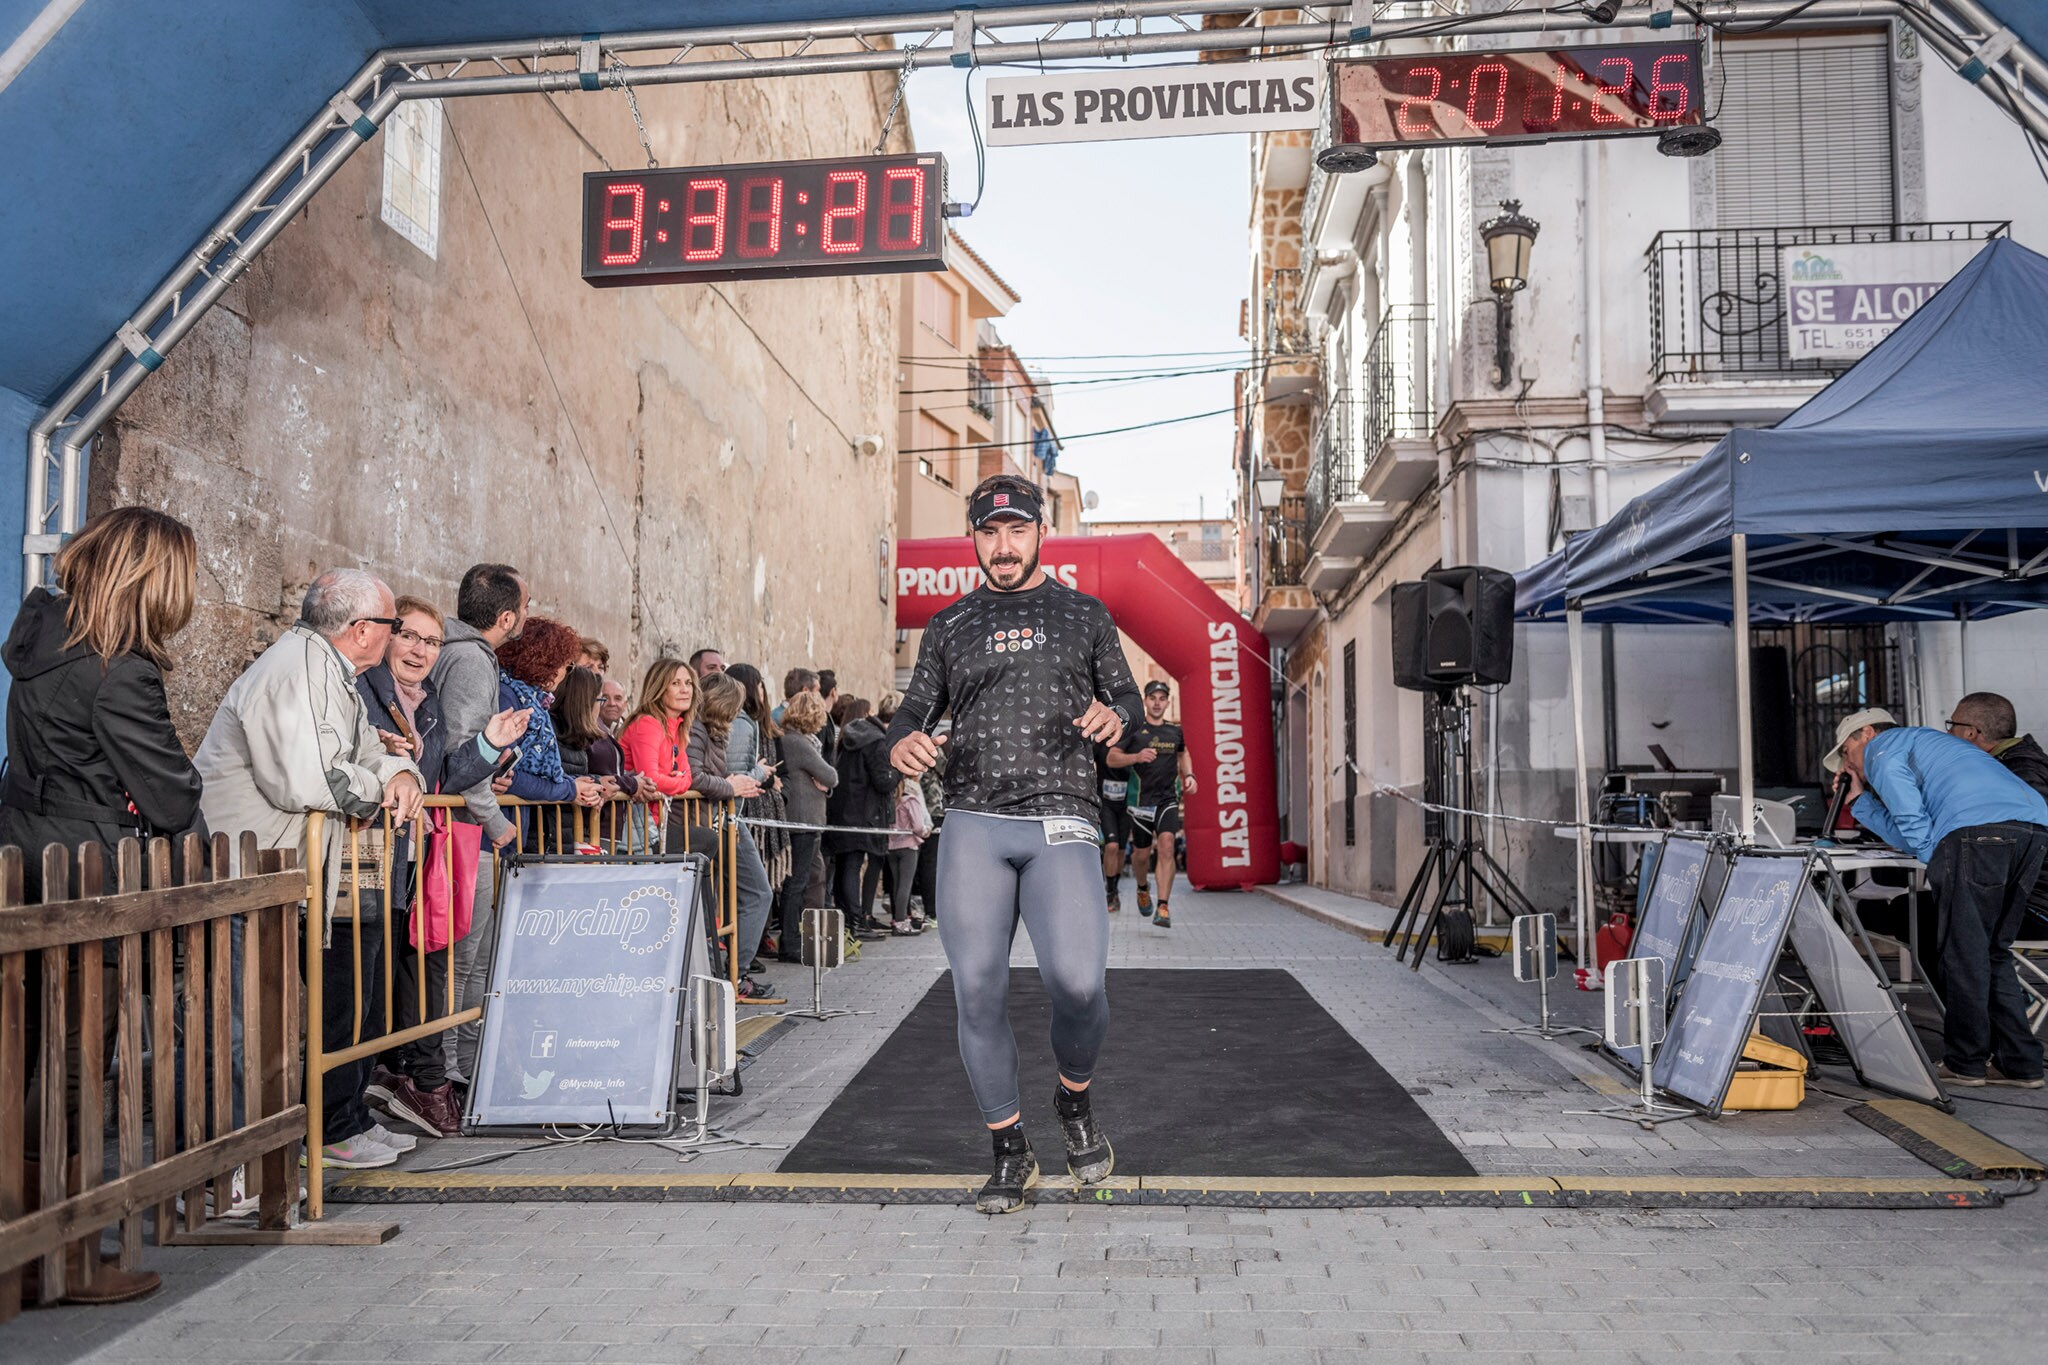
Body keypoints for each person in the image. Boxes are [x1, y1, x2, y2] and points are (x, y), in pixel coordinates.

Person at [885, 473, 1141, 1214]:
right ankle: (1008, 1149)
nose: (1003, 546)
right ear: (975, 537)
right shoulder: (949, 624)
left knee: (1080, 982)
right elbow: (908, 713)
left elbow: (1127, 699)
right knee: (976, 987)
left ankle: (1074, 1098)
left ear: (1039, 533)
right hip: (974, 818)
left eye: (1016, 530)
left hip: (1063, 815)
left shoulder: (1083, 614)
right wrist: (899, 744)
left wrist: (1116, 718)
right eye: (989, 532)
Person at [0, 506, 204, 1306]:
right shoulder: (121, 668)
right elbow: (168, 789)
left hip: (23, 857)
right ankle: (62, 1252)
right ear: (154, 581)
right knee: (75, 1068)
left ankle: (27, 1239)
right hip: (90, 878)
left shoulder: (39, 639)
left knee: (21, 1058)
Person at [195, 568, 424, 1170]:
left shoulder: (335, 673)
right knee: (254, 1022)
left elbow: (370, 754)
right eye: (392, 625)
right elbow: (313, 778)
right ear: (360, 629)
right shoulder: (296, 669)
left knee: (351, 989)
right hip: (255, 866)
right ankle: (251, 1165)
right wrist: (385, 783)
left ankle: (338, 1119)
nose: (397, 636)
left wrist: (402, 774)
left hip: (312, 864)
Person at [356, 597, 528, 1137]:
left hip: (409, 859)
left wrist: (488, 743)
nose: (421, 650)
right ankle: (364, 1108)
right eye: (410, 636)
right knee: (365, 986)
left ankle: (402, 1087)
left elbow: (445, 778)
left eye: (431, 642)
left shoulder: (424, 703)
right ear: (386, 635)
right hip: (365, 858)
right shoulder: (366, 692)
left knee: (408, 974)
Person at [1827, 707, 2048, 1089]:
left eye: (1846, 752)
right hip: (2032, 830)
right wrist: (1860, 801)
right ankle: (2020, 1064)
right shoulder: (1930, 744)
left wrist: (1940, 857)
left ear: (1864, 734)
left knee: (1964, 954)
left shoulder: (1882, 749)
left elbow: (1912, 826)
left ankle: (1966, 1062)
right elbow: (1908, 830)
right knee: (1992, 952)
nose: (1849, 764)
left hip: (1977, 833)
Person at [431, 563, 526, 1090]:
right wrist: (496, 822)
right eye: (524, 609)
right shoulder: (469, 660)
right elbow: (460, 755)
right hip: (465, 833)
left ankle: (467, 1069)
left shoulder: (463, 654)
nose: (525, 619)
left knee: (470, 962)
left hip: (465, 827)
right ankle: (453, 1075)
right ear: (506, 616)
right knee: (464, 963)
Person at [687, 672, 783, 1003]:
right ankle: (734, 974)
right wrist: (746, 778)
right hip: (720, 819)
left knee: (735, 896)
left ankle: (730, 972)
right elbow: (703, 777)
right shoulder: (713, 728)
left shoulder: (710, 730)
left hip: (721, 818)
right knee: (756, 892)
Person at [496, 617, 604, 852]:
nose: (566, 672)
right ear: (547, 662)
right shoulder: (510, 698)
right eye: (567, 665)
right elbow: (507, 777)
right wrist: (570, 789)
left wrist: (570, 786)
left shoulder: (532, 700)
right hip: (495, 838)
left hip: (512, 834)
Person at [1948, 691, 2048, 935]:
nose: (1948, 734)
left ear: (1971, 732)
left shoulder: (2019, 773)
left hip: (2032, 903)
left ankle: (1976, 974)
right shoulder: (2015, 765)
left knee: (1922, 915)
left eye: (1952, 726)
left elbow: (2024, 841)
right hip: (2022, 895)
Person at [1109, 680, 1198, 930]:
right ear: (1146, 701)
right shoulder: (1135, 730)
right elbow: (1112, 757)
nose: (1157, 702)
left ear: (1168, 702)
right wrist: (1136, 756)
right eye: (1153, 698)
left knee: (1168, 845)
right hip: (1140, 802)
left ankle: (1163, 905)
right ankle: (1142, 887)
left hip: (1167, 798)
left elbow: (1183, 753)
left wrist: (1189, 775)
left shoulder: (1174, 731)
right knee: (1140, 855)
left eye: (1162, 698)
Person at [775, 689, 838, 962]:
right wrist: (825, 782)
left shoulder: (800, 741)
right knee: (797, 883)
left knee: (812, 879)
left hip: (809, 820)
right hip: (801, 821)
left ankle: (809, 937)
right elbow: (831, 775)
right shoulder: (797, 742)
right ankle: (789, 943)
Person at [555, 665, 646, 850]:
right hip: (575, 831)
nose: (605, 704)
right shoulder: (563, 732)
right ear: (585, 701)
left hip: (589, 828)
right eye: (601, 699)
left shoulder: (580, 733)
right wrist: (630, 784)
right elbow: (561, 778)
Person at [825, 696, 894, 939]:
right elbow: (883, 781)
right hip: (865, 813)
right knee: (853, 867)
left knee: (846, 866)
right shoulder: (875, 741)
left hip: (843, 812)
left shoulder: (845, 739)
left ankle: (848, 923)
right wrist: (899, 771)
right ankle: (855, 923)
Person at [886, 775, 934, 935]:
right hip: (909, 847)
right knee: (905, 886)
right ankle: (901, 922)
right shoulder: (911, 799)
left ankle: (898, 919)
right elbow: (918, 826)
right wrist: (926, 832)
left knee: (896, 885)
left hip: (892, 846)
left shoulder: (893, 799)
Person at [1093, 740, 1132, 915]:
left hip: (1127, 803)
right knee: (1112, 846)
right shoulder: (1099, 743)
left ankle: (1114, 887)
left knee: (1122, 851)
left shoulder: (1132, 739)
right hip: (1106, 803)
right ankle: (1111, 892)